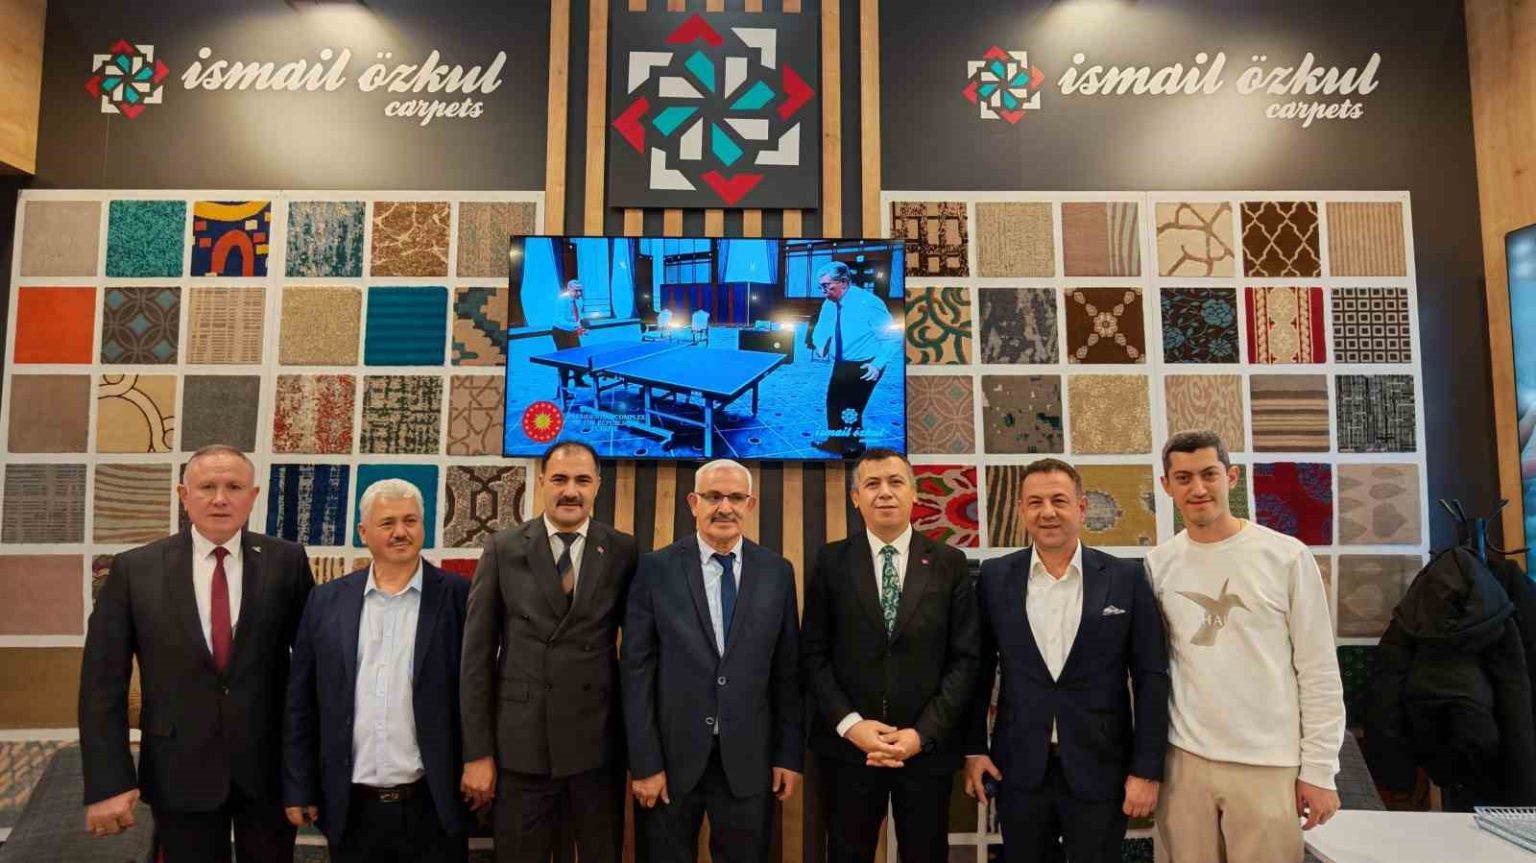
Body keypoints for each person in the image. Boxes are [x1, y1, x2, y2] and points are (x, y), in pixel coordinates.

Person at [79, 444, 315, 862]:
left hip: (269, 772)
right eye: (207, 487)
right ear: (183, 495)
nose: (220, 498)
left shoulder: (287, 561)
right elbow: (102, 685)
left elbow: (312, 672)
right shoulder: (135, 569)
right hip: (178, 772)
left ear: (253, 496)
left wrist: (309, 772)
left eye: (234, 487)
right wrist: (108, 782)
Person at [1146, 430, 1345, 863]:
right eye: (1183, 478)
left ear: (1231, 477)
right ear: (1166, 486)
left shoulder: (1285, 557)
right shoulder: (1158, 564)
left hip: (1268, 764)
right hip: (1183, 762)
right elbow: (1152, 669)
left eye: (1209, 474)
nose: (1198, 489)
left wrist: (1319, 770)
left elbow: (1318, 670)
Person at [964, 458, 1169, 863]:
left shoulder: (1125, 577)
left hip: (1102, 770)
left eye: (1059, 500)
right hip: (1019, 770)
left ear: (1082, 506)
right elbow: (978, 669)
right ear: (1021, 510)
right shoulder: (995, 576)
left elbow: (1151, 677)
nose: (1048, 512)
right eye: (1035, 502)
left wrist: (1147, 769)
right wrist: (974, 749)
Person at [461, 441, 639, 863]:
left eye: (582, 480)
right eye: (559, 479)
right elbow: (475, 660)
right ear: (541, 482)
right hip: (521, 749)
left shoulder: (622, 550)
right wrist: (478, 754)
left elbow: (637, 658)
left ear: (598, 485)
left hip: (596, 748)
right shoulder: (503, 548)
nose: (570, 491)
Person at [800, 448, 979, 863]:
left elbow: (966, 659)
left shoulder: (949, 563)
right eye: (872, 484)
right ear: (855, 498)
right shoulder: (830, 560)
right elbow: (813, 654)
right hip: (849, 751)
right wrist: (852, 726)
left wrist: (922, 734)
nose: (885, 492)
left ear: (915, 493)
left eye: (896, 482)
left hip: (926, 750)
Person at [621, 459, 804, 863]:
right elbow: (636, 672)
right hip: (670, 763)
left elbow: (787, 673)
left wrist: (787, 755)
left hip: (750, 761)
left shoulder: (777, 572)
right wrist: (645, 763)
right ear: (693, 503)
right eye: (713, 497)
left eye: (736, 498)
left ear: (750, 504)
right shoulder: (655, 569)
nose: (725, 507)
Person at [282, 479, 471, 862]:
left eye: (410, 521)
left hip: (433, 803)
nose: (401, 532)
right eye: (387, 523)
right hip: (351, 807)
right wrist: (299, 786)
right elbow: (301, 702)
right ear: (363, 532)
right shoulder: (325, 601)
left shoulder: (459, 596)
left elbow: (479, 692)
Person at [809, 261, 898, 453]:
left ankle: (854, 450)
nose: (823, 291)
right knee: (833, 403)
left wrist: (877, 364)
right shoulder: (829, 303)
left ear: (843, 282)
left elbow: (892, 337)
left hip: (866, 365)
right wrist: (820, 344)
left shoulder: (870, 303)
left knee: (850, 410)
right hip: (841, 363)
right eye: (821, 287)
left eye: (826, 286)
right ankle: (834, 443)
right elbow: (821, 328)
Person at [553, 279, 588, 351]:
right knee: (565, 355)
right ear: (569, 289)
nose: (579, 293)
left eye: (580, 290)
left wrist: (582, 326)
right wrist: (577, 325)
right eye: (576, 290)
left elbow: (578, 315)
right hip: (561, 331)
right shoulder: (562, 300)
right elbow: (560, 320)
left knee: (577, 352)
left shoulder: (579, 300)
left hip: (572, 330)